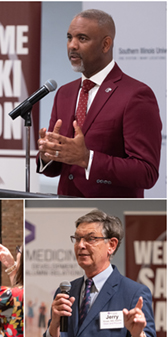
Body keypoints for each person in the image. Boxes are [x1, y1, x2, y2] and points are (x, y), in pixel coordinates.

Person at [36, 9, 161, 198]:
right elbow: (55, 169)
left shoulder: (136, 95)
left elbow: (146, 173)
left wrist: (87, 159)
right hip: (64, 205)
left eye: (82, 38)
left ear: (105, 44)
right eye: (69, 37)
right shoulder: (64, 93)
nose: (72, 45)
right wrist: (48, 155)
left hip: (109, 208)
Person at [37, 210, 162, 337]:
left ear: (111, 245)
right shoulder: (65, 291)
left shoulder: (134, 293)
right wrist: (54, 326)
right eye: (77, 238)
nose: (81, 245)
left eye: (90, 238)